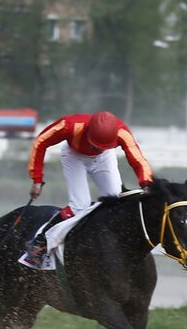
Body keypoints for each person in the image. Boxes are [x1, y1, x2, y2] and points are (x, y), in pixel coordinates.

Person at [24, 110, 153, 265]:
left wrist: (147, 183)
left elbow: (138, 159)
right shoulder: (70, 125)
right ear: (87, 131)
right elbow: (40, 141)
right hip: (74, 157)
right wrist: (37, 179)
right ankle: (39, 243)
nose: (98, 150)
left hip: (104, 159)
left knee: (116, 202)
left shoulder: (122, 132)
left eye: (102, 147)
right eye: (95, 146)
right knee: (79, 206)